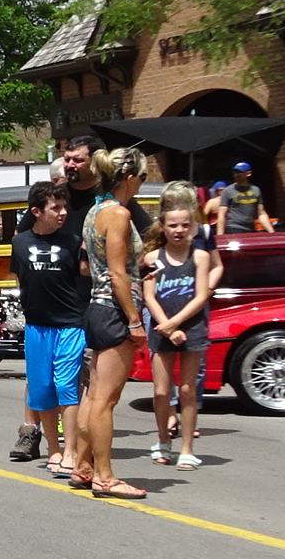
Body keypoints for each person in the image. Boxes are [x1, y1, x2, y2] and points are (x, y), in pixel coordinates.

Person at [71, 146, 151, 499]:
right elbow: (117, 273)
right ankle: (104, 475)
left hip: (97, 307)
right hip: (115, 310)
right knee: (105, 399)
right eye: (143, 178)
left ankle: (83, 465)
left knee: (95, 395)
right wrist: (134, 321)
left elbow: (91, 265)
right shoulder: (118, 213)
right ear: (130, 178)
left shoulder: (95, 211)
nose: (142, 184)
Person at [10, 182, 86, 477]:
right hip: (37, 327)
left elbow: (83, 277)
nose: (63, 213)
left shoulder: (73, 241)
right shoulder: (20, 243)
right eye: (56, 208)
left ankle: (71, 451)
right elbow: (21, 281)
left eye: (64, 207)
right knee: (41, 390)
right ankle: (53, 450)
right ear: (37, 212)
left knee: (66, 387)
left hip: (69, 325)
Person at [144, 191, 213, 470]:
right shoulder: (153, 258)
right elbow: (149, 296)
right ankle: (163, 442)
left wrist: (176, 324)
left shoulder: (200, 257)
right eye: (173, 225)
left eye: (185, 225)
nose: (179, 230)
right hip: (161, 331)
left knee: (187, 390)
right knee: (162, 392)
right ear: (162, 226)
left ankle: (187, 448)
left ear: (193, 226)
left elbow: (201, 295)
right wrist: (166, 326)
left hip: (192, 329)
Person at [217, 161, 274, 234]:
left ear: (248, 173)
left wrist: (271, 232)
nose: (236, 174)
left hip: (250, 228)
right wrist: (220, 235)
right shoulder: (228, 191)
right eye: (235, 172)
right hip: (234, 228)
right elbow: (222, 214)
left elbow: (261, 213)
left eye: (239, 172)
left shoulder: (255, 190)